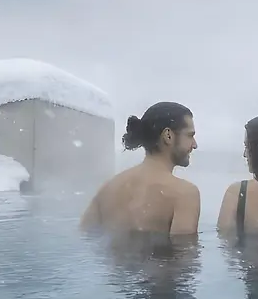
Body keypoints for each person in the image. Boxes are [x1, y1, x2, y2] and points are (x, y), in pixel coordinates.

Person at [80, 101, 201, 235]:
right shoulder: (184, 194)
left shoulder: (108, 188)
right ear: (168, 136)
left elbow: (85, 237)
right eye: (190, 135)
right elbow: (184, 253)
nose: (194, 145)